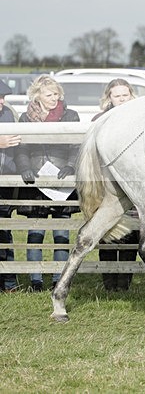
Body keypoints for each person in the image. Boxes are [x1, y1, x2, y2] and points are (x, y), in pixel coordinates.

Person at [15, 75, 80, 292]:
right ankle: (36, 280)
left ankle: (58, 279)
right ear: (37, 96)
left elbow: (76, 145)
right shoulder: (25, 118)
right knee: (36, 232)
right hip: (36, 181)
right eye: (49, 94)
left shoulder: (70, 115)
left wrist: (71, 166)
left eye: (56, 94)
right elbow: (21, 147)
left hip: (61, 180)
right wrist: (25, 167)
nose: (54, 98)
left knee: (61, 233)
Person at [93, 79, 139, 291]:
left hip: (132, 181)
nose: (121, 99)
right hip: (107, 183)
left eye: (125, 95)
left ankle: (125, 283)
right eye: (117, 95)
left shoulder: (139, 119)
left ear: (131, 95)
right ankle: (109, 283)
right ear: (109, 98)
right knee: (108, 230)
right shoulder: (99, 120)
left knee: (130, 233)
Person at [0, 79, 21, 292]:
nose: (2, 101)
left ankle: (8, 281)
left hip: (5, 181)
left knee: (4, 230)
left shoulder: (9, 113)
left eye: (3, 97)